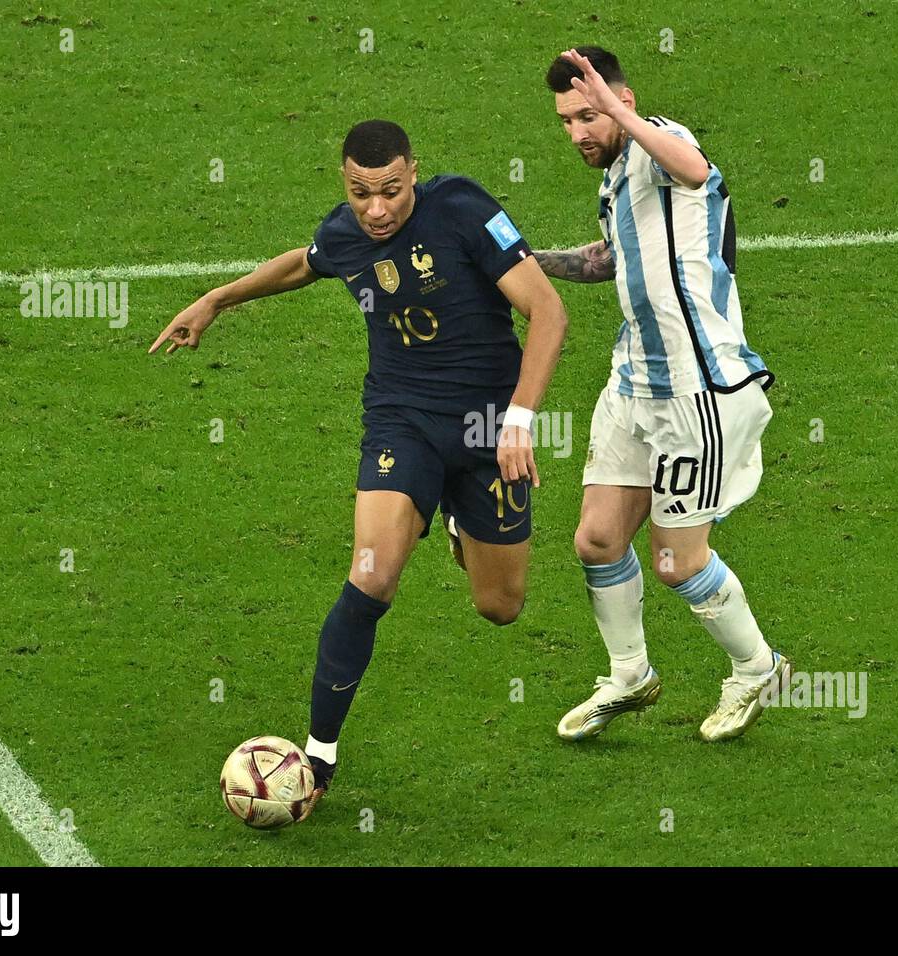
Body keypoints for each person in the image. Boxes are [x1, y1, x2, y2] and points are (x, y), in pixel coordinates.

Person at [150, 119, 568, 814]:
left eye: (391, 192)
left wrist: (521, 420)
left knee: (500, 607)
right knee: (371, 577)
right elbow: (303, 263)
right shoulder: (346, 234)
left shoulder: (463, 208)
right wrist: (217, 299)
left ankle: (460, 521)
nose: (376, 210)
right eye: (360, 193)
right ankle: (319, 756)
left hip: (489, 429)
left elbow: (547, 312)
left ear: (414, 173)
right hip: (402, 423)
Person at [533, 48, 789, 742]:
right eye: (566, 121)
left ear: (622, 100)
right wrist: (517, 262)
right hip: (633, 380)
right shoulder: (616, 180)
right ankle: (629, 675)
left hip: (695, 386)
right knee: (596, 539)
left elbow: (696, 169)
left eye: (588, 115)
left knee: (677, 561)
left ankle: (757, 667)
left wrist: (621, 116)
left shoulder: (663, 143)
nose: (578, 132)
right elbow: (605, 261)